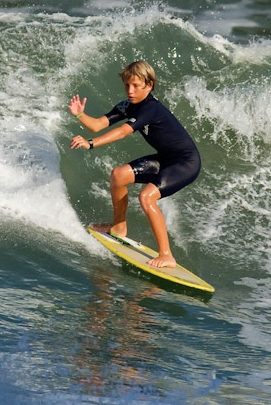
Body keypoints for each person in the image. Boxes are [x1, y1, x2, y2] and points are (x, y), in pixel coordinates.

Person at [69, 60, 201, 269]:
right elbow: (97, 125)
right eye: (127, 85)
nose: (130, 91)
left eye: (136, 86)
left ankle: (166, 255)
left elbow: (122, 132)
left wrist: (91, 144)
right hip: (165, 158)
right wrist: (79, 114)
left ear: (149, 85)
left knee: (146, 197)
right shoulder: (127, 106)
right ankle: (119, 227)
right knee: (118, 175)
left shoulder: (150, 109)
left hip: (186, 162)